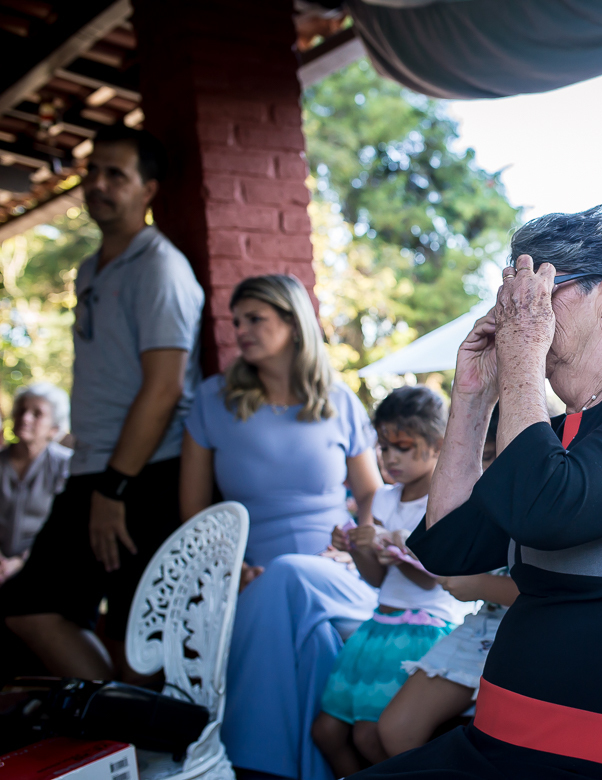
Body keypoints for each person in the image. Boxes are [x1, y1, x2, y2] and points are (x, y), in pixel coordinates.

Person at [352, 206, 602, 780]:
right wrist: (473, 396)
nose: (514, 309)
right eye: (510, 294)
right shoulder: (562, 434)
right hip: (498, 748)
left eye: (539, 290)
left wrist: (520, 355)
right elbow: (447, 546)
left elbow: (545, 511)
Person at [0, 125, 204, 681]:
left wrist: (114, 488)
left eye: (117, 174)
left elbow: (164, 387)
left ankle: (128, 720)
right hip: (93, 470)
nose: (98, 184)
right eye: (93, 171)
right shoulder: (92, 269)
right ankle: (115, 718)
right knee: (30, 607)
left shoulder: (160, 266)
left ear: (148, 190)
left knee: (140, 643)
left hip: (142, 475)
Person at [180, 275, 382, 780]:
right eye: (236, 321)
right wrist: (230, 570)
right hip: (249, 579)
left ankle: (245, 766)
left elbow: (372, 496)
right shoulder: (213, 400)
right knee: (314, 642)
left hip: (338, 574)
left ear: (293, 324)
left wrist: (356, 548)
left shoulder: (339, 401)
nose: (240, 331)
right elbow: (195, 513)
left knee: (291, 574)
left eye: (255, 319)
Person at [313, 387, 463, 776]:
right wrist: (357, 547)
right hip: (380, 624)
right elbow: (377, 578)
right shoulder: (382, 500)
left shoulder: (444, 501)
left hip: (423, 629)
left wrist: (393, 544)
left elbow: (431, 580)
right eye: (383, 447)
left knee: (368, 735)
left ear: (438, 444)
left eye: (403, 446)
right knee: (326, 731)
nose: (390, 457)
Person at [375, 409, 519, 761]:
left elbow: (553, 589)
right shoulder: (481, 504)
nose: (482, 471)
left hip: (528, 632)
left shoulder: (547, 504)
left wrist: (480, 585)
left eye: (489, 457)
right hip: (482, 627)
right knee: (395, 729)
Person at [0, 383, 71, 583]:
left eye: (37, 414)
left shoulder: (66, 466)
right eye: (21, 411)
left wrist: (20, 562)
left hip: (43, 565)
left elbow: (65, 526)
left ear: (54, 428)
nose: (25, 418)